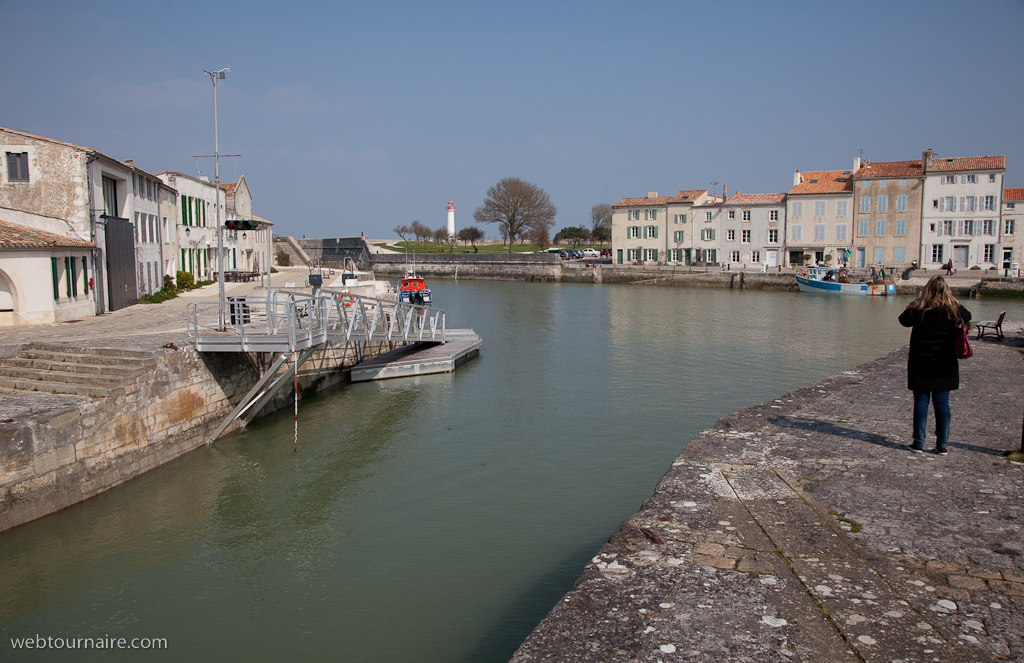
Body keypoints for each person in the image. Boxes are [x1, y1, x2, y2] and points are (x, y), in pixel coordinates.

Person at [897, 276, 971, 455]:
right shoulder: (954, 310)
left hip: (921, 362)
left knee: (921, 402)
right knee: (942, 403)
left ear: (927, 291)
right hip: (945, 363)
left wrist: (919, 299)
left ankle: (918, 443)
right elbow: (968, 317)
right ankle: (942, 445)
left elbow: (903, 319)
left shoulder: (920, 309)